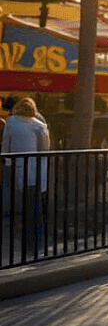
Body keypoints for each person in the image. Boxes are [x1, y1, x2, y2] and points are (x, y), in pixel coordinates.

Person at [2, 97, 50, 260]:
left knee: (17, 211)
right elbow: (45, 151)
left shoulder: (11, 122)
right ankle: (37, 248)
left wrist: (8, 164)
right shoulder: (40, 126)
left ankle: (21, 248)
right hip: (35, 174)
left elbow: (6, 147)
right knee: (34, 211)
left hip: (15, 170)